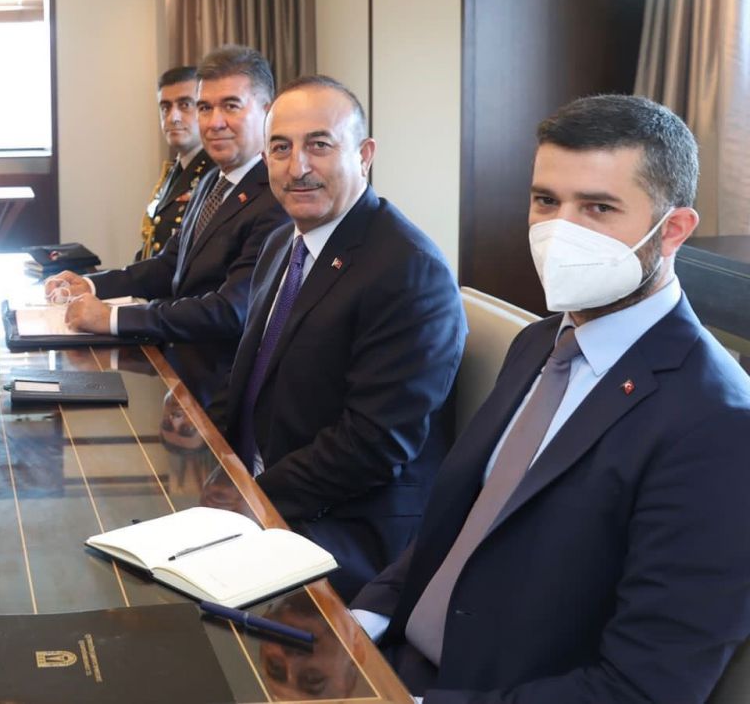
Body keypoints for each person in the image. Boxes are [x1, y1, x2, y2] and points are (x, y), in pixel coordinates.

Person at [352, 95, 750, 703]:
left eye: (598, 207)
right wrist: (363, 621)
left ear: (672, 230)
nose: (561, 231)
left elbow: (645, 688)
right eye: (546, 201)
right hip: (391, 658)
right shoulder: (540, 341)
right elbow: (464, 521)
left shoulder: (719, 424)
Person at [220, 76, 464, 599]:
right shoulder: (282, 244)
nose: (297, 167)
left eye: (319, 145)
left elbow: (374, 444)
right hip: (268, 489)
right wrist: (217, 475)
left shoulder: (407, 269)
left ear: (364, 155)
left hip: (348, 525)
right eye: (280, 148)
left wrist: (250, 497)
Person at [48, 45, 287, 406]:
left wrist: (113, 318)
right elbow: (169, 265)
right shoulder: (213, 181)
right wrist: (92, 284)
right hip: (175, 368)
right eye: (204, 108)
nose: (214, 122)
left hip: (222, 391)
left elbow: (229, 310)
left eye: (231, 106)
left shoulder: (275, 196)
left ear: (268, 112)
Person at [135, 65, 213, 261]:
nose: (173, 117)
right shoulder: (174, 170)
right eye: (165, 107)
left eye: (185, 105)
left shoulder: (215, 173)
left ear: (204, 109)